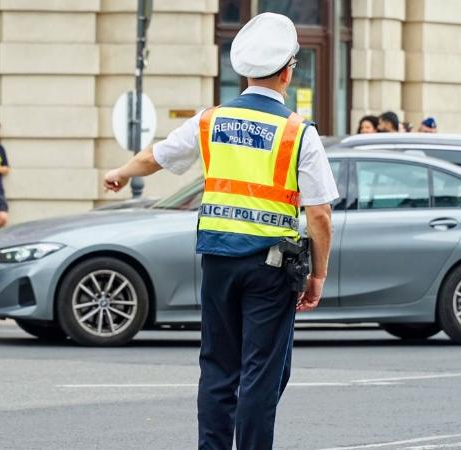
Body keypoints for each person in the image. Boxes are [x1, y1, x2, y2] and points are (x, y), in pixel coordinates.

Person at [103, 13, 337, 450]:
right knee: (263, 373)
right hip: (271, 269)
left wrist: (120, 171)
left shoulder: (211, 120)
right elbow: (319, 213)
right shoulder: (297, 132)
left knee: (218, 369)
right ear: (288, 72)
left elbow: (158, 156)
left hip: (217, 262)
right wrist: (318, 275)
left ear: (245, 72)